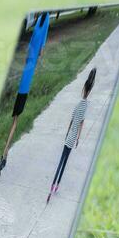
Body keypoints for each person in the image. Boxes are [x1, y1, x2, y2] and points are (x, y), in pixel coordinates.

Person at [0, 11, 49, 179]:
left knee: (15, 120)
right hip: (25, 88)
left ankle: (5, 156)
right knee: (15, 122)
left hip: (22, 85)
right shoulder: (45, 21)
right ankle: (3, 156)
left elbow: (32, 50)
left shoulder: (35, 29)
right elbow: (41, 52)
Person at [47, 68, 96, 203]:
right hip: (73, 137)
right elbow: (81, 122)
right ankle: (57, 185)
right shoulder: (85, 106)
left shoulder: (78, 105)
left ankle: (53, 184)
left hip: (69, 136)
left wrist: (68, 133)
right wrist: (78, 138)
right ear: (89, 91)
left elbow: (73, 120)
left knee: (61, 161)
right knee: (65, 162)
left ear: (83, 90)